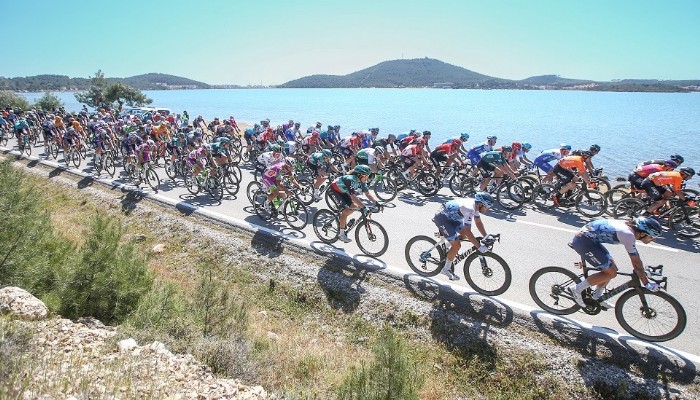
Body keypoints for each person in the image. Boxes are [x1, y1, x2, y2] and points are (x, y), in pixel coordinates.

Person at [568, 217, 664, 309]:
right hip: (583, 242)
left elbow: (637, 261)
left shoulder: (630, 228)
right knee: (611, 273)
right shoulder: (628, 235)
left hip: (590, 239)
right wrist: (646, 283)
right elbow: (636, 263)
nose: (653, 239)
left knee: (613, 268)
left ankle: (596, 296)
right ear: (643, 233)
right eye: (652, 237)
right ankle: (576, 289)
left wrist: (643, 276)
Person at [431, 192, 494, 281]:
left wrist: (486, 236)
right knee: (457, 245)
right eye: (487, 206)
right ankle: (446, 269)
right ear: (481, 204)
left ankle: (448, 241)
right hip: (442, 219)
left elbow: (478, 223)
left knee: (463, 235)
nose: (488, 209)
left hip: (452, 217)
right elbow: (468, 231)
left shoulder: (476, 205)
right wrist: (479, 247)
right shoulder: (469, 209)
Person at [328, 165, 381, 243]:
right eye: (366, 176)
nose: (367, 178)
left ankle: (342, 219)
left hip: (343, 192)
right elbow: (353, 197)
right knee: (345, 211)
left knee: (354, 206)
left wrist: (377, 203)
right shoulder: (350, 180)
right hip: (334, 191)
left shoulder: (362, 181)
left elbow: (367, 194)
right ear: (360, 175)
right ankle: (341, 235)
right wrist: (363, 207)